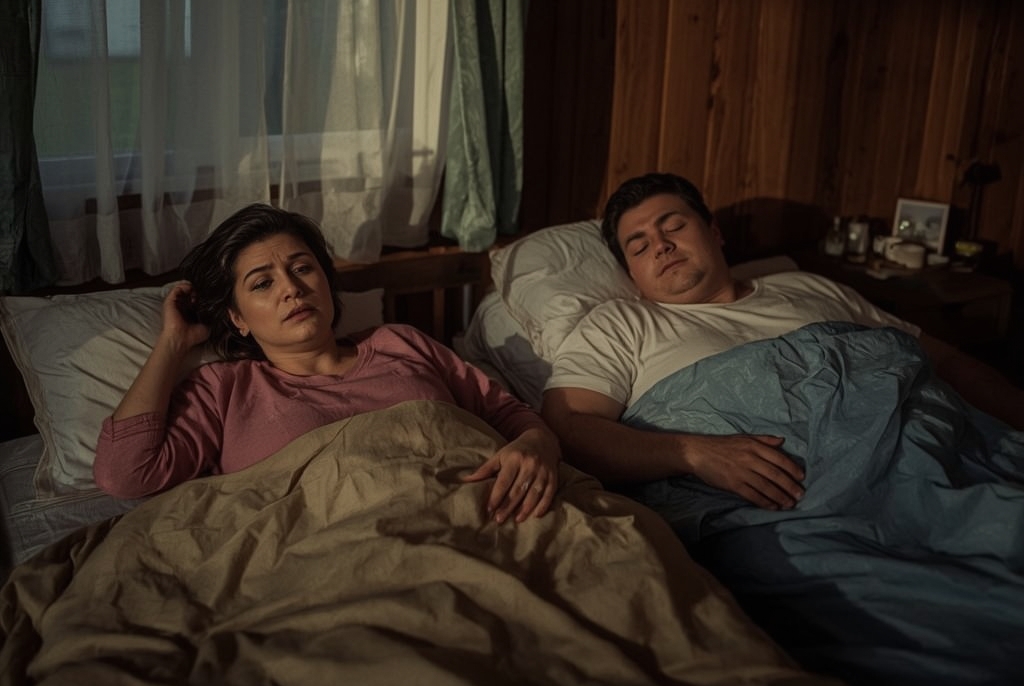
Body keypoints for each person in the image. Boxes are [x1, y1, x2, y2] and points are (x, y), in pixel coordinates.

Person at [542, 171, 1024, 509]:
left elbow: (947, 363)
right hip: (810, 505)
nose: (662, 245)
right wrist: (690, 452)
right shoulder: (620, 324)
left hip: (956, 452)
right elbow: (569, 425)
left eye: (674, 226)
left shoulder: (810, 286)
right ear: (631, 272)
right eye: (640, 245)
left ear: (714, 232)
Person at [95, 203, 560, 524]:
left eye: (302, 268)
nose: (291, 288)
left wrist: (537, 443)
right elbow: (126, 474)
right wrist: (173, 343)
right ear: (237, 318)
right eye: (262, 283)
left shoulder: (400, 342)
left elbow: (506, 413)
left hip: (473, 517)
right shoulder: (225, 389)